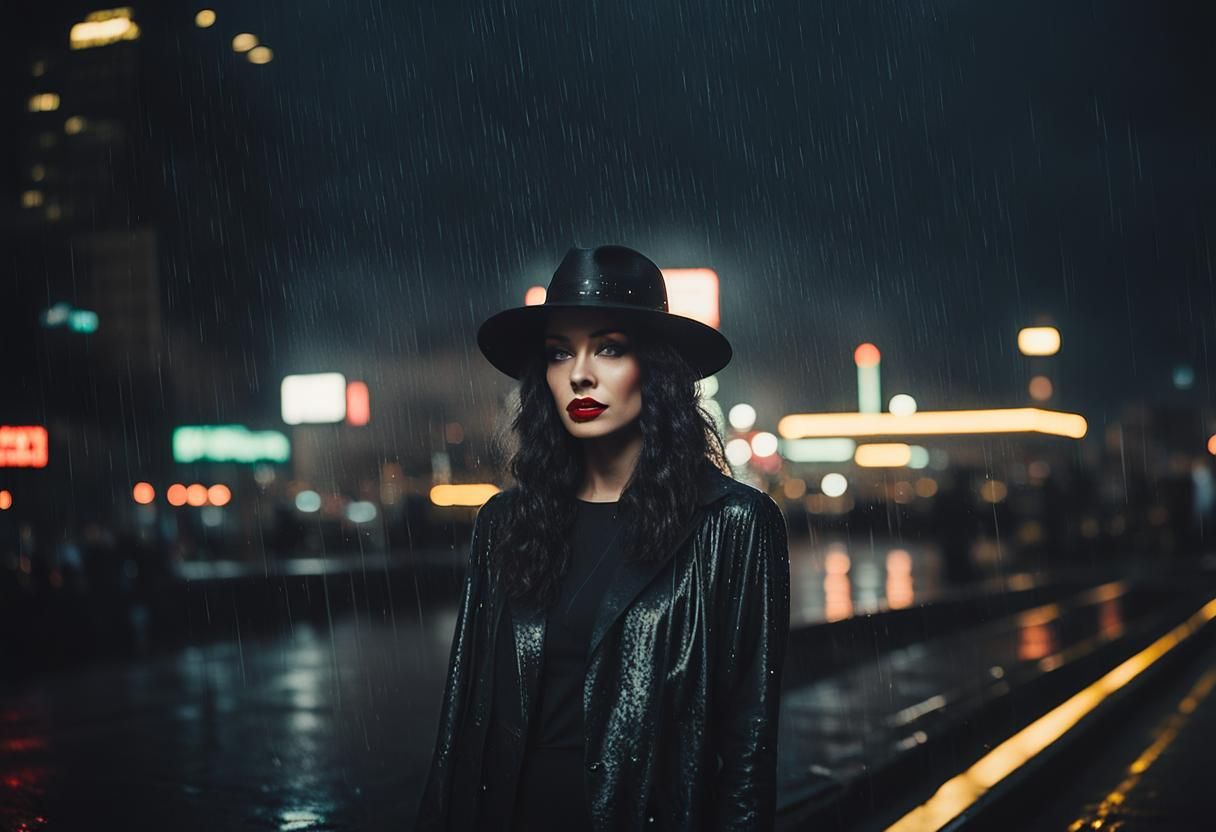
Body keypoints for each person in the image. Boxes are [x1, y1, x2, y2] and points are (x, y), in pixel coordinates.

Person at [415, 245, 791, 831]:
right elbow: (463, 717)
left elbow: (749, 739)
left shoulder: (734, 524)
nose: (580, 373)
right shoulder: (505, 523)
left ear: (657, 369)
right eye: (559, 352)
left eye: (609, 348)